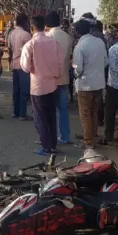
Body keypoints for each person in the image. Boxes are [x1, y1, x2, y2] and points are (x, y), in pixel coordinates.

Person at [21, 15, 62, 156]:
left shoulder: (30, 44)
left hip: (38, 85)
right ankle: (53, 145)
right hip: (52, 84)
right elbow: (60, 63)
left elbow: (25, 67)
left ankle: (46, 147)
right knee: (51, 116)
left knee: (40, 117)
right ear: (44, 26)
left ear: (32, 28)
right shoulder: (54, 42)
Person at [72, 19, 106, 149]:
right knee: (94, 112)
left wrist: (75, 74)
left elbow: (78, 68)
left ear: (77, 32)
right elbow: (105, 61)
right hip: (99, 83)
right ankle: (92, 135)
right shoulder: (99, 42)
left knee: (85, 113)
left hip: (85, 84)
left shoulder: (80, 46)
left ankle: (88, 141)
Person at [45, 11, 74, 145]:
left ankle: (49, 138)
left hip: (49, 78)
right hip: (63, 77)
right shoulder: (68, 37)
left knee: (48, 109)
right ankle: (65, 136)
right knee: (62, 109)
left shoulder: (47, 37)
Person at [8, 13, 32, 121]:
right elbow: (31, 52)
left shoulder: (11, 33)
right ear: (24, 22)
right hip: (23, 65)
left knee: (16, 90)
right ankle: (22, 114)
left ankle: (15, 112)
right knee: (24, 91)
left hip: (14, 63)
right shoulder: (26, 35)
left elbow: (9, 48)